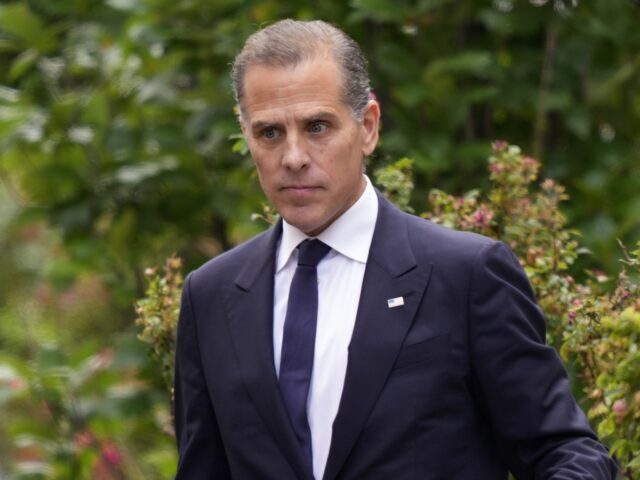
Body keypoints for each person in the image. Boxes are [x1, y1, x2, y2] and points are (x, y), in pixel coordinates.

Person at [173, 19, 618, 480]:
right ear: (247, 136)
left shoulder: (465, 275)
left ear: (367, 127)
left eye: (317, 127)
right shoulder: (211, 296)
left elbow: (565, 453)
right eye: (269, 133)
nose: (294, 157)